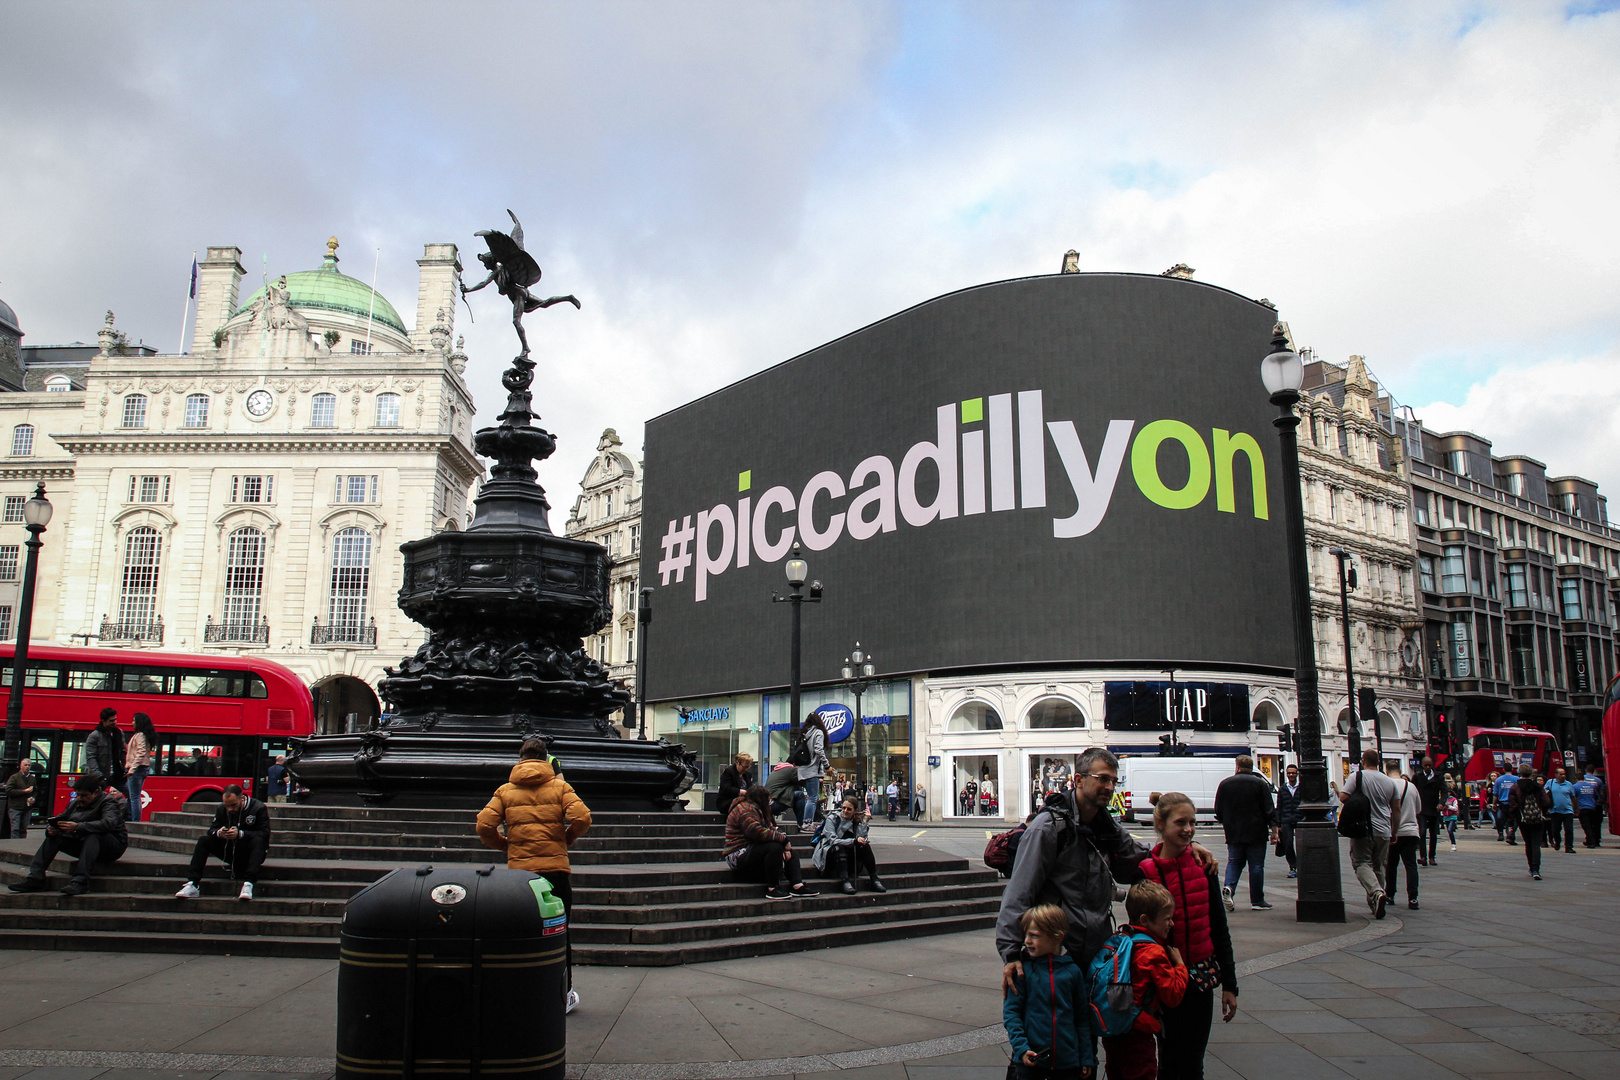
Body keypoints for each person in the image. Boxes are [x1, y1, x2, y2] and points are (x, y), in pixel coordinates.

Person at [998, 748, 1216, 991]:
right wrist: (1011, 953)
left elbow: (1141, 856)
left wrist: (1187, 844)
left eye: (1113, 780)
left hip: (1096, 953)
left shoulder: (1106, 825)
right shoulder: (1049, 828)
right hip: (1055, 954)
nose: (1110, 787)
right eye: (1102, 778)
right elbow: (1019, 892)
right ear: (1079, 780)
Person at [475, 737, 591, 1013]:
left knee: (522, 930)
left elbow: (483, 825)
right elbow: (583, 818)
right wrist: (567, 838)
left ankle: (522, 988)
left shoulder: (505, 791)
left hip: (520, 874)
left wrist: (505, 844)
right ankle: (563, 992)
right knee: (560, 931)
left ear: (520, 758)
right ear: (545, 758)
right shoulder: (560, 787)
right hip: (555, 871)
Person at [1138, 792, 1238, 1080]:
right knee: (1169, 1060)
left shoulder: (1203, 866)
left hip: (1201, 978)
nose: (1188, 829)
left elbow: (1219, 927)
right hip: (1164, 979)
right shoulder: (1147, 871)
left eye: (1193, 823)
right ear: (1160, 823)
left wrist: (1230, 984)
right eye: (1181, 822)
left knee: (1194, 1061)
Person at [1101, 881, 1189, 1080]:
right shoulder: (1153, 953)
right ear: (1145, 920)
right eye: (1167, 919)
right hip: (1138, 1032)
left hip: (1113, 1028)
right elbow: (1173, 995)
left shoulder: (1118, 939)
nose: (1172, 924)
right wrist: (1180, 966)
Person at [1002, 904, 1095, 1080]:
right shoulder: (1023, 972)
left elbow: (1082, 1019)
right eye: (1026, 935)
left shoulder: (1072, 972)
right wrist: (1021, 1049)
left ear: (1057, 937)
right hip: (1031, 1060)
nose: (1027, 941)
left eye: (1034, 936)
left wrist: (1085, 1057)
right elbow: (1011, 1014)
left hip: (1067, 1063)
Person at [8, 771, 127, 896]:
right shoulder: (75, 803)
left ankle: (80, 882)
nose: (80, 799)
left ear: (96, 792)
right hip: (84, 841)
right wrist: (52, 829)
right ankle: (35, 878)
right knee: (55, 837)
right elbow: (61, 818)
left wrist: (78, 827)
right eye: (78, 795)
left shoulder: (108, 802)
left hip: (112, 845)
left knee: (93, 835)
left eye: (84, 795)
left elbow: (109, 823)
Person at [174, 783, 272, 902]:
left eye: (233, 805)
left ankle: (248, 884)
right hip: (229, 849)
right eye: (227, 806)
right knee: (204, 841)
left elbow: (264, 833)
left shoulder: (258, 808)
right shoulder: (222, 809)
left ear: (241, 798)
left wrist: (241, 834)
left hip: (249, 851)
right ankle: (193, 883)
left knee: (258, 840)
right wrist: (220, 833)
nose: (230, 809)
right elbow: (211, 830)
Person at [724, 783, 817, 900]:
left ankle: (797, 885)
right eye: (768, 798)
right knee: (774, 848)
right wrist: (783, 840)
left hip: (752, 849)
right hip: (738, 854)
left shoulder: (759, 810)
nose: (770, 801)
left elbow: (770, 830)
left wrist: (783, 843)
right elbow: (757, 832)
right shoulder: (745, 809)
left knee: (790, 853)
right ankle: (772, 888)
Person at [1212, 755, 1279, 911]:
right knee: (1256, 866)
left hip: (1234, 832)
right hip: (1256, 831)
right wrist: (1274, 830)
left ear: (1237, 766)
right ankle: (1257, 900)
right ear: (1252, 766)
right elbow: (1269, 809)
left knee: (1234, 861)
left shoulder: (1225, 784)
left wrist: (1226, 822)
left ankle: (1229, 887)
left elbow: (1218, 809)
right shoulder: (1260, 784)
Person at [1340, 748, 1398, 919]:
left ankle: (1376, 892)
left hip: (1363, 828)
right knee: (1378, 865)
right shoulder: (1389, 782)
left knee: (1361, 863)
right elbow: (1396, 808)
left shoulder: (1358, 777)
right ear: (1379, 763)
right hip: (1384, 830)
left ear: (1363, 761)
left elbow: (1343, 797)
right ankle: (1376, 903)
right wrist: (1394, 831)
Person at [813, 797, 886, 894]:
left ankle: (874, 879)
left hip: (848, 857)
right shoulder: (832, 819)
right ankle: (845, 882)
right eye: (843, 808)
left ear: (855, 811)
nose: (845, 811)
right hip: (828, 854)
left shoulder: (856, 821)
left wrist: (864, 822)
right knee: (840, 847)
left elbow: (861, 839)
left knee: (865, 846)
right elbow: (833, 841)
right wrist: (853, 842)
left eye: (849, 809)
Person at [1506, 762, 1552, 880]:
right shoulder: (1538, 787)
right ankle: (1536, 869)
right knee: (1536, 844)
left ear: (1519, 773)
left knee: (1528, 843)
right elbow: (1546, 802)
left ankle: (1531, 867)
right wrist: (1541, 811)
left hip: (1523, 819)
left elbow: (1512, 806)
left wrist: (1512, 822)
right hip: (1538, 818)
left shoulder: (1515, 788)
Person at [1384, 766, 1421, 911]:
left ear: (1387, 771)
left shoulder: (1387, 786)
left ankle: (1390, 895)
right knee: (1411, 865)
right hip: (1410, 831)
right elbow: (1418, 809)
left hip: (1394, 831)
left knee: (1391, 865)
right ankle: (1413, 898)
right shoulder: (1411, 787)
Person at [794, 714, 831, 828]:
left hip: (802, 771)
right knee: (813, 798)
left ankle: (806, 821)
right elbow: (819, 750)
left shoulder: (804, 734)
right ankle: (807, 822)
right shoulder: (818, 733)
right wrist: (827, 765)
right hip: (812, 770)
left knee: (810, 797)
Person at [84, 708, 126, 793]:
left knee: (131, 793)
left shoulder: (118, 733)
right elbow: (91, 757)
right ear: (103, 721)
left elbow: (123, 752)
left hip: (117, 774)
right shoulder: (94, 736)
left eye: (115, 719)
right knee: (95, 797)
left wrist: (125, 768)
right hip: (101, 776)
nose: (115, 722)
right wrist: (98, 775)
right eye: (111, 721)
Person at [124, 713, 156, 823]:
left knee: (134, 796)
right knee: (133, 795)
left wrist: (132, 769)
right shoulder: (141, 735)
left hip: (137, 769)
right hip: (140, 768)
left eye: (134, 721)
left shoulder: (140, 735)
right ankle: (131, 818)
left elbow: (141, 752)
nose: (132, 723)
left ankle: (135, 820)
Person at [1412, 756, 1443, 866]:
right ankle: (1423, 856)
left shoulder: (1438, 777)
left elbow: (1444, 791)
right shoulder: (1417, 777)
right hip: (1422, 808)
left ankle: (1432, 857)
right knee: (1422, 832)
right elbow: (1413, 790)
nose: (1428, 767)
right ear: (1422, 765)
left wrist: (1441, 803)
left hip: (1434, 808)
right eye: (1426, 765)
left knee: (1433, 834)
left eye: (1430, 765)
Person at [1276, 762, 1302, 879]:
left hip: (1299, 818)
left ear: (1297, 774)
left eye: (1293, 773)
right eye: (1289, 773)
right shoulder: (1283, 789)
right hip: (1286, 819)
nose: (1291, 775)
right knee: (1288, 845)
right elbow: (1279, 806)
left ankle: (1301, 866)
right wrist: (1278, 823)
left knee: (1301, 845)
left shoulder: (1302, 787)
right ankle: (1293, 867)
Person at [1546, 767, 1577, 855]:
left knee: (1569, 830)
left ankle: (1569, 847)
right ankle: (1557, 842)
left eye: (1564, 774)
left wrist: (1576, 808)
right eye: (1561, 774)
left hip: (1568, 811)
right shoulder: (1550, 783)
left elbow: (1573, 796)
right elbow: (1545, 793)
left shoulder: (1569, 784)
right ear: (1556, 775)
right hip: (1555, 811)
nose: (1563, 776)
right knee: (1555, 829)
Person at [766, 761, 805, 827]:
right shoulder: (791, 770)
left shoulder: (777, 769)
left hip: (768, 803)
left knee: (794, 795)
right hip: (774, 803)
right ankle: (801, 824)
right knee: (800, 795)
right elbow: (803, 781)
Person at [1574, 767, 1606, 848]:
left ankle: (1591, 842)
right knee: (1593, 825)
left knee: (1586, 826)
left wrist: (1576, 809)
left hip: (1582, 807)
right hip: (1592, 807)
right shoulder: (1592, 785)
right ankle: (1594, 840)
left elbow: (1574, 798)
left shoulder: (1575, 786)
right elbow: (1597, 796)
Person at [716, 752, 755, 818]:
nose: (746, 769)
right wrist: (740, 792)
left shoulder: (748, 775)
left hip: (743, 801)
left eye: (748, 767)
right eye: (744, 767)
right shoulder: (728, 772)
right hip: (728, 802)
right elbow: (726, 789)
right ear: (737, 763)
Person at [5, 758, 35, 839]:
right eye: (25, 765)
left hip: (27, 807)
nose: (27, 767)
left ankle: (22, 844)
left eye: (29, 765)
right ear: (20, 766)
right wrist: (23, 791)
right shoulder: (14, 777)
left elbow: (35, 790)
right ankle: (14, 846)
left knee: (23, 829)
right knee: (15, 829)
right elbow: (9, 791)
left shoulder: (32, 778)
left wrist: (33, 798)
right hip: (15, 807)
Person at [1493, 768, 1519, 843]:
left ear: (1504, 769)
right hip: (1514, 802)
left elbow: (1496, 794)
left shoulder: (1499, 780)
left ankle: (1501, 833)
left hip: (1503, 802)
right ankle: (1511, 833)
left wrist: (1494, 804)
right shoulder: (1517, 779)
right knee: (1514, 819)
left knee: (1500, 819)